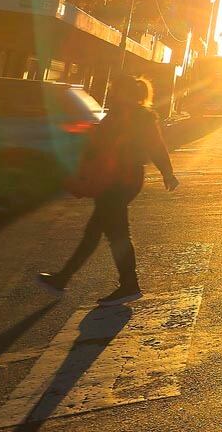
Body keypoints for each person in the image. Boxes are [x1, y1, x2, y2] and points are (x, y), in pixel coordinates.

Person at [35, 77, 179, 305]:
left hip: (122, 179)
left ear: (127, 93)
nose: (112, 93)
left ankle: (128, 284)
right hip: (113, 177)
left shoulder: (139, 116)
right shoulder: (121, 112)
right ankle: (64, 278)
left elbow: (156, 146)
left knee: (116, 234)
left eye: (116, 89)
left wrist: (168, 173)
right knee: (96, 231)